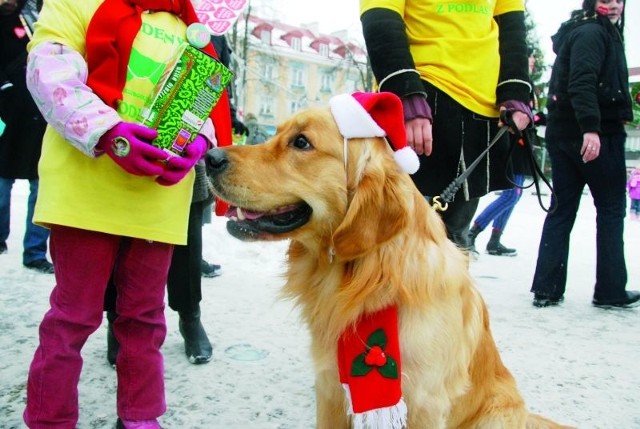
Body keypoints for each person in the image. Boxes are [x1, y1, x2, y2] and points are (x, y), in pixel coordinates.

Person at [22, 0, 232, 428]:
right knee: (72, 318)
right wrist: (109, 132)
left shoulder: (188, 21)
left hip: (156, 198)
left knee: (144, 319)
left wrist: (195, 139)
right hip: (85, 190)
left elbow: (201, 95)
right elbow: (49, 72)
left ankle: (140, 416)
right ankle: (49, 418)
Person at [104, 34, 238, 368]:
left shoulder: (208, 24)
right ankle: (115, 321)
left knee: (187, 246)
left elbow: (216, 85)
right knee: (118, 238)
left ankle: (190, 318)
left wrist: (222, 122)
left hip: (186, 142)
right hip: (124, 138)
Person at [359, 0, 532, 252]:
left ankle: (448, 291)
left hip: (482, 106)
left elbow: (512, 27)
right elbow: (380, 16)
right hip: (423, 94)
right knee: (392, 237)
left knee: (454, 242)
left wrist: (515, 89)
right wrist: (404, 92)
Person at [530, 0, 640, 309]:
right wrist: (591, 128)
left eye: (620, 0)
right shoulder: (593, 33)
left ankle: (547, 287)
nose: (615, 5)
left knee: (561, 210)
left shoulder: (580, 31)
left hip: (564, 133)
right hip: (596, 133)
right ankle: (610, 289)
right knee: (609, 210)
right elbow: (581, 80)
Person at [468, 50, 545, 257]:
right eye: (527, 59)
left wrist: (539, 118)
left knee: (515, 195)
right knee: (512, 194)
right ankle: (473, 232)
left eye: (531, 60)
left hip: (523, 146)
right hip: (511, 144)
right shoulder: (511, 83)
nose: (530, 63)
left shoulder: (528, 87)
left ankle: (495, 240)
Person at [0, 0, 53, 273]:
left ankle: (34, 252)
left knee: (40, 182)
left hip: (39, 109)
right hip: (4, 109)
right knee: (1, 180)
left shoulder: (40, 14)